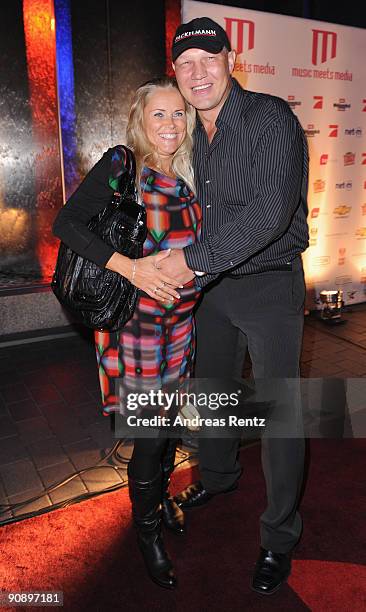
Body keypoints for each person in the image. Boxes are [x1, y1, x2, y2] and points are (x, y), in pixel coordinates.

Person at [156, 17, 309, 595]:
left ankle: (279, 536)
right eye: (185, 64)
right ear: (175, 71)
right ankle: (218, 476)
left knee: (281, 415)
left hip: (269, 286)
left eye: (208, 60)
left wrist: (192, 260)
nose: (197, 74)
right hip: (212, 289)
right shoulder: (184, 129)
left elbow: (270, 214)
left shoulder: (271, 119)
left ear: (230, 58)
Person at [53, 77, 202, 590]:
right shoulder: (124, 166)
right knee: (151, 432)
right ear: (139, 121)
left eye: (179, 114)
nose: (170, 124)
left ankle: (158, 498)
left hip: (180, 326)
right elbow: (67, 223)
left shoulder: (189, 172)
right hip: (136, 325)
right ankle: (147, 532)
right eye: (159, 115)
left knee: (168, 428)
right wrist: (131, 268)